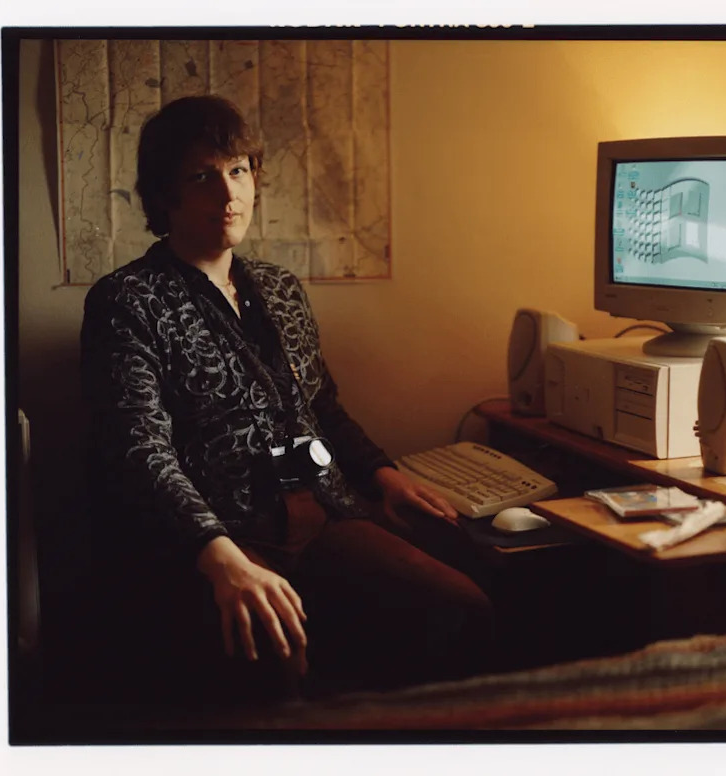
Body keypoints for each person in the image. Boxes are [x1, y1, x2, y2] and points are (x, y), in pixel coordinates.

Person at [80, 95, 494, 702]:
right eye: (202, 175)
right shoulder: (128, 300)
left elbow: (320, 405)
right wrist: (220, 557)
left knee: (463, 606)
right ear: (164, 194)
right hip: (218, 531)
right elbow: (140, 450)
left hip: (319, 510)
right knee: (275, 663)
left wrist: (380, 472)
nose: (228, 194)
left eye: (238, 170)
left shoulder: (278, 287)